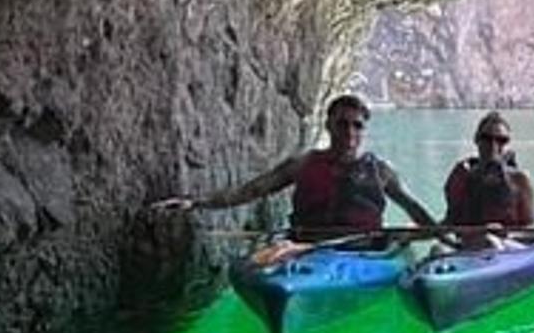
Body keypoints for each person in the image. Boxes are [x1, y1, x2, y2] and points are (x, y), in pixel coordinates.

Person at [155, 93, 436, 238]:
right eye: (342, 123)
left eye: (357, 125)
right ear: (328, 125)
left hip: (364, 251)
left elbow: (413, 209)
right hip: (306, 248)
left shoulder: (381, 171)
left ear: (363, 130)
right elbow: (251, 191)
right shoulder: (302, 165)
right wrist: (195, 203)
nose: (349, 132)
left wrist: (444, 236)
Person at [442, 111, 534, 247]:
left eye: (501, 140)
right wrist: (418, 232)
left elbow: (532, 230)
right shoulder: (461, 177)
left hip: (509, 247)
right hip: (468, 246)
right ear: (476, 140)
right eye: (486, 138)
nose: (493, 146)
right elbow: (450, 222)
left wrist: (505, 234)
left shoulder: (520, 179)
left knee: (490, 242)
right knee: (438, 249)